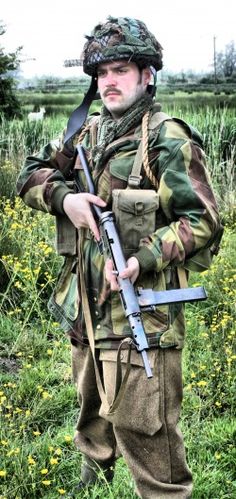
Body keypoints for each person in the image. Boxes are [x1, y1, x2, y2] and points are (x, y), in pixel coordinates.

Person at [17, 16, 222, 499]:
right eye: (102, 72)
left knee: (151, 441)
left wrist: (144, 257)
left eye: (122, 69)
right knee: (91, 417)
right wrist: (64, 199)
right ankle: (93, 488)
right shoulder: (86, 135)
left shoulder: (166, 140)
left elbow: (203, 220)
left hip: (141, 319)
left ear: (147, 75)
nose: (109, 81)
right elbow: (30, 174)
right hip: (85, 312)